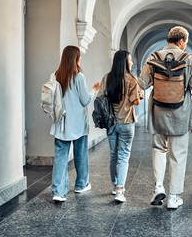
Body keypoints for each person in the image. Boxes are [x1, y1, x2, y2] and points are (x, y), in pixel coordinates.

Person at [137, 26, 192, 209]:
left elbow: (143, 84)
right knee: (178, 154)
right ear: (181, 41)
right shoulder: (189, 59)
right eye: (186, 43)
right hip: (180, 113)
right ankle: (173, 197)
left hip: (158, 111)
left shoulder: (153, 58)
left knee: (158, 148)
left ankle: (158, 187)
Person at [50, 45, 100, 202]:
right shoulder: (79, 77)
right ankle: (81, 184)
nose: (81, 59)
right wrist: (94, 90)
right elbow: (85, 101)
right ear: (74, 59)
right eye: (79, 57)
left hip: (61, 124)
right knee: (81, 155)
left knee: (60, 158)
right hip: (78, 124)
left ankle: (58, 192)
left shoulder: (55, 76)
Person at [97, 50, 142, 203]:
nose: (132, 63)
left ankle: (115, 183)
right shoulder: (131, 79)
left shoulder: (106, 78)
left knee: (113, 155)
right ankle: (120, 190)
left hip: (111, 123)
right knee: (123, 155)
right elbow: (136, 101)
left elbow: (100, 98)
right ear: (124, 62)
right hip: (127, 123)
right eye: (130, 60)